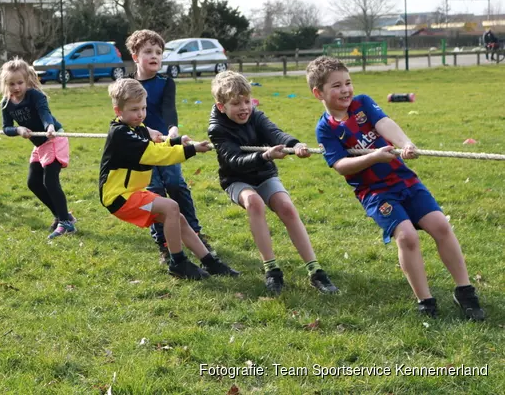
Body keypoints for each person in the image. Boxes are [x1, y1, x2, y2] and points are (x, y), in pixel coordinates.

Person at [306, 56, 485, 320]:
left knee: (441, 226)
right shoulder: (325, 129)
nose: (345, 90)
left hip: (404, 180)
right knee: (407, 236)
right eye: (336, 86)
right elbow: (341, 165)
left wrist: (405, 143)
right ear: (318, 92)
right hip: (375, 192)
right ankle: (426, 301)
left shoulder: (362, 104)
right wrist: (373, 157)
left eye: (348, 82)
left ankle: (465, 291)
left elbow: (384, 123)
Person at [207, 71, 338, 295]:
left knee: (286, 207)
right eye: (236, 104)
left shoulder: (255, 115)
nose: (244, 108)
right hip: (236, 179)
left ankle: (316, 271)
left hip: (264, 174)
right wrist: (265, 156)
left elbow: (274, 132)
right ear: (221, 107)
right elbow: (235, 161)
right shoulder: (217, 129)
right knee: (254, 203)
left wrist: (294, 144)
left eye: (247, 101)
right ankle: (272, 270)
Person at [99, 78, 240, 280]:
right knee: (172, 207)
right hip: (119, 197)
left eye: (143, 108)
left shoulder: (137, 128)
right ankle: (178, 262)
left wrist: (175, 141)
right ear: (118, 111)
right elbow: (155, 155)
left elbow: (156, 147)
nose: (140, 114)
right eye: (134, 110)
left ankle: (211, 263)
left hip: (133, 193)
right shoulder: (121, 134)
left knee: (178, 218)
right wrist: (191, 150)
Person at [126, 29, 212, 264]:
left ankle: (194, 232)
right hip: (142, 148)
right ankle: (164, 243)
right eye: (148, 52)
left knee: (175, 183)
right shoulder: (127, 85)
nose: (154, 56)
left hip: (167, 143)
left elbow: (168, 110)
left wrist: (172, 128)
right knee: (153, 192)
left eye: (158, 52)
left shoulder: (166, 82)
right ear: (135, 56)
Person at [0, 58, 77, 239]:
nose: (16, 87)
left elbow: (44, 113)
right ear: (5, 84)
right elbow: (6, 128)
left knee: (50, 181)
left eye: (20, 83)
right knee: (33, 182)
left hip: (54, 139)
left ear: (27, 81)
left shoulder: (35, 96)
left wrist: (49, 127)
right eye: (11, 84)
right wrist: (18, 130)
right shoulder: (6, 103)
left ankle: (66, 224)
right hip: (39, 144)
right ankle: (62, 216)